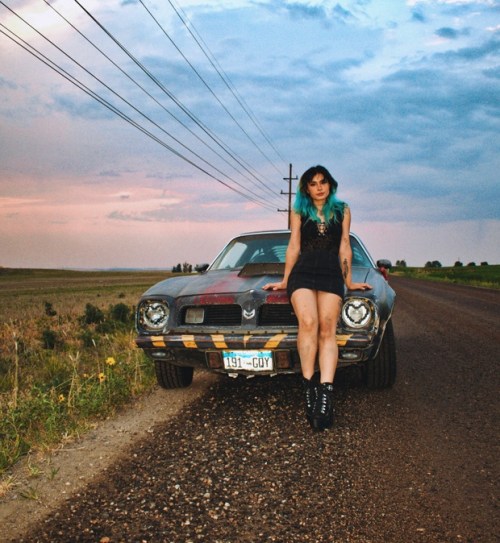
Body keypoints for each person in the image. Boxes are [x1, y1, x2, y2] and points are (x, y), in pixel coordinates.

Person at [263, 165, 372, 430]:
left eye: (323, 182)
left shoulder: (343, 210)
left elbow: (344, 245)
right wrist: (285, 280)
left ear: (330, 184)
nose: (319, 187)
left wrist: (348, 281)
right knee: (309, 322)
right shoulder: (299, 210)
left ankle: (325, 393)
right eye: (313, 183)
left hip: (331, 273)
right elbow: (294, 245)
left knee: (327, 327)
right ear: (306, 188)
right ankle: (309, 387)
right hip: (302, 273)